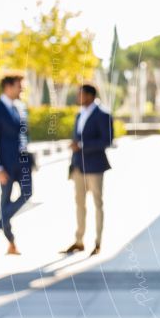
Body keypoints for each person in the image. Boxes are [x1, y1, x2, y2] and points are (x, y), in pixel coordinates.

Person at [0, 73, 33, 256]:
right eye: (20, 86)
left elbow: (25, 135)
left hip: (23, 163)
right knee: (5, 204)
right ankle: (11, 243)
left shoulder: (20, 108)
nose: (22, 89)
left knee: (27, 193)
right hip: (6, 166)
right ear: (8, 87)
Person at [61, 84, 114, 257]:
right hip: (78, 166)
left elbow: (107, 140)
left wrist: (82, 146)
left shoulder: (103, 115)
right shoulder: (79, 114)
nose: (78, 97)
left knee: (98, 203)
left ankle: (98, 242)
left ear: (90, 96)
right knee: (79, 204)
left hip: (95, 166)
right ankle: (79, 240)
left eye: (81, 94)